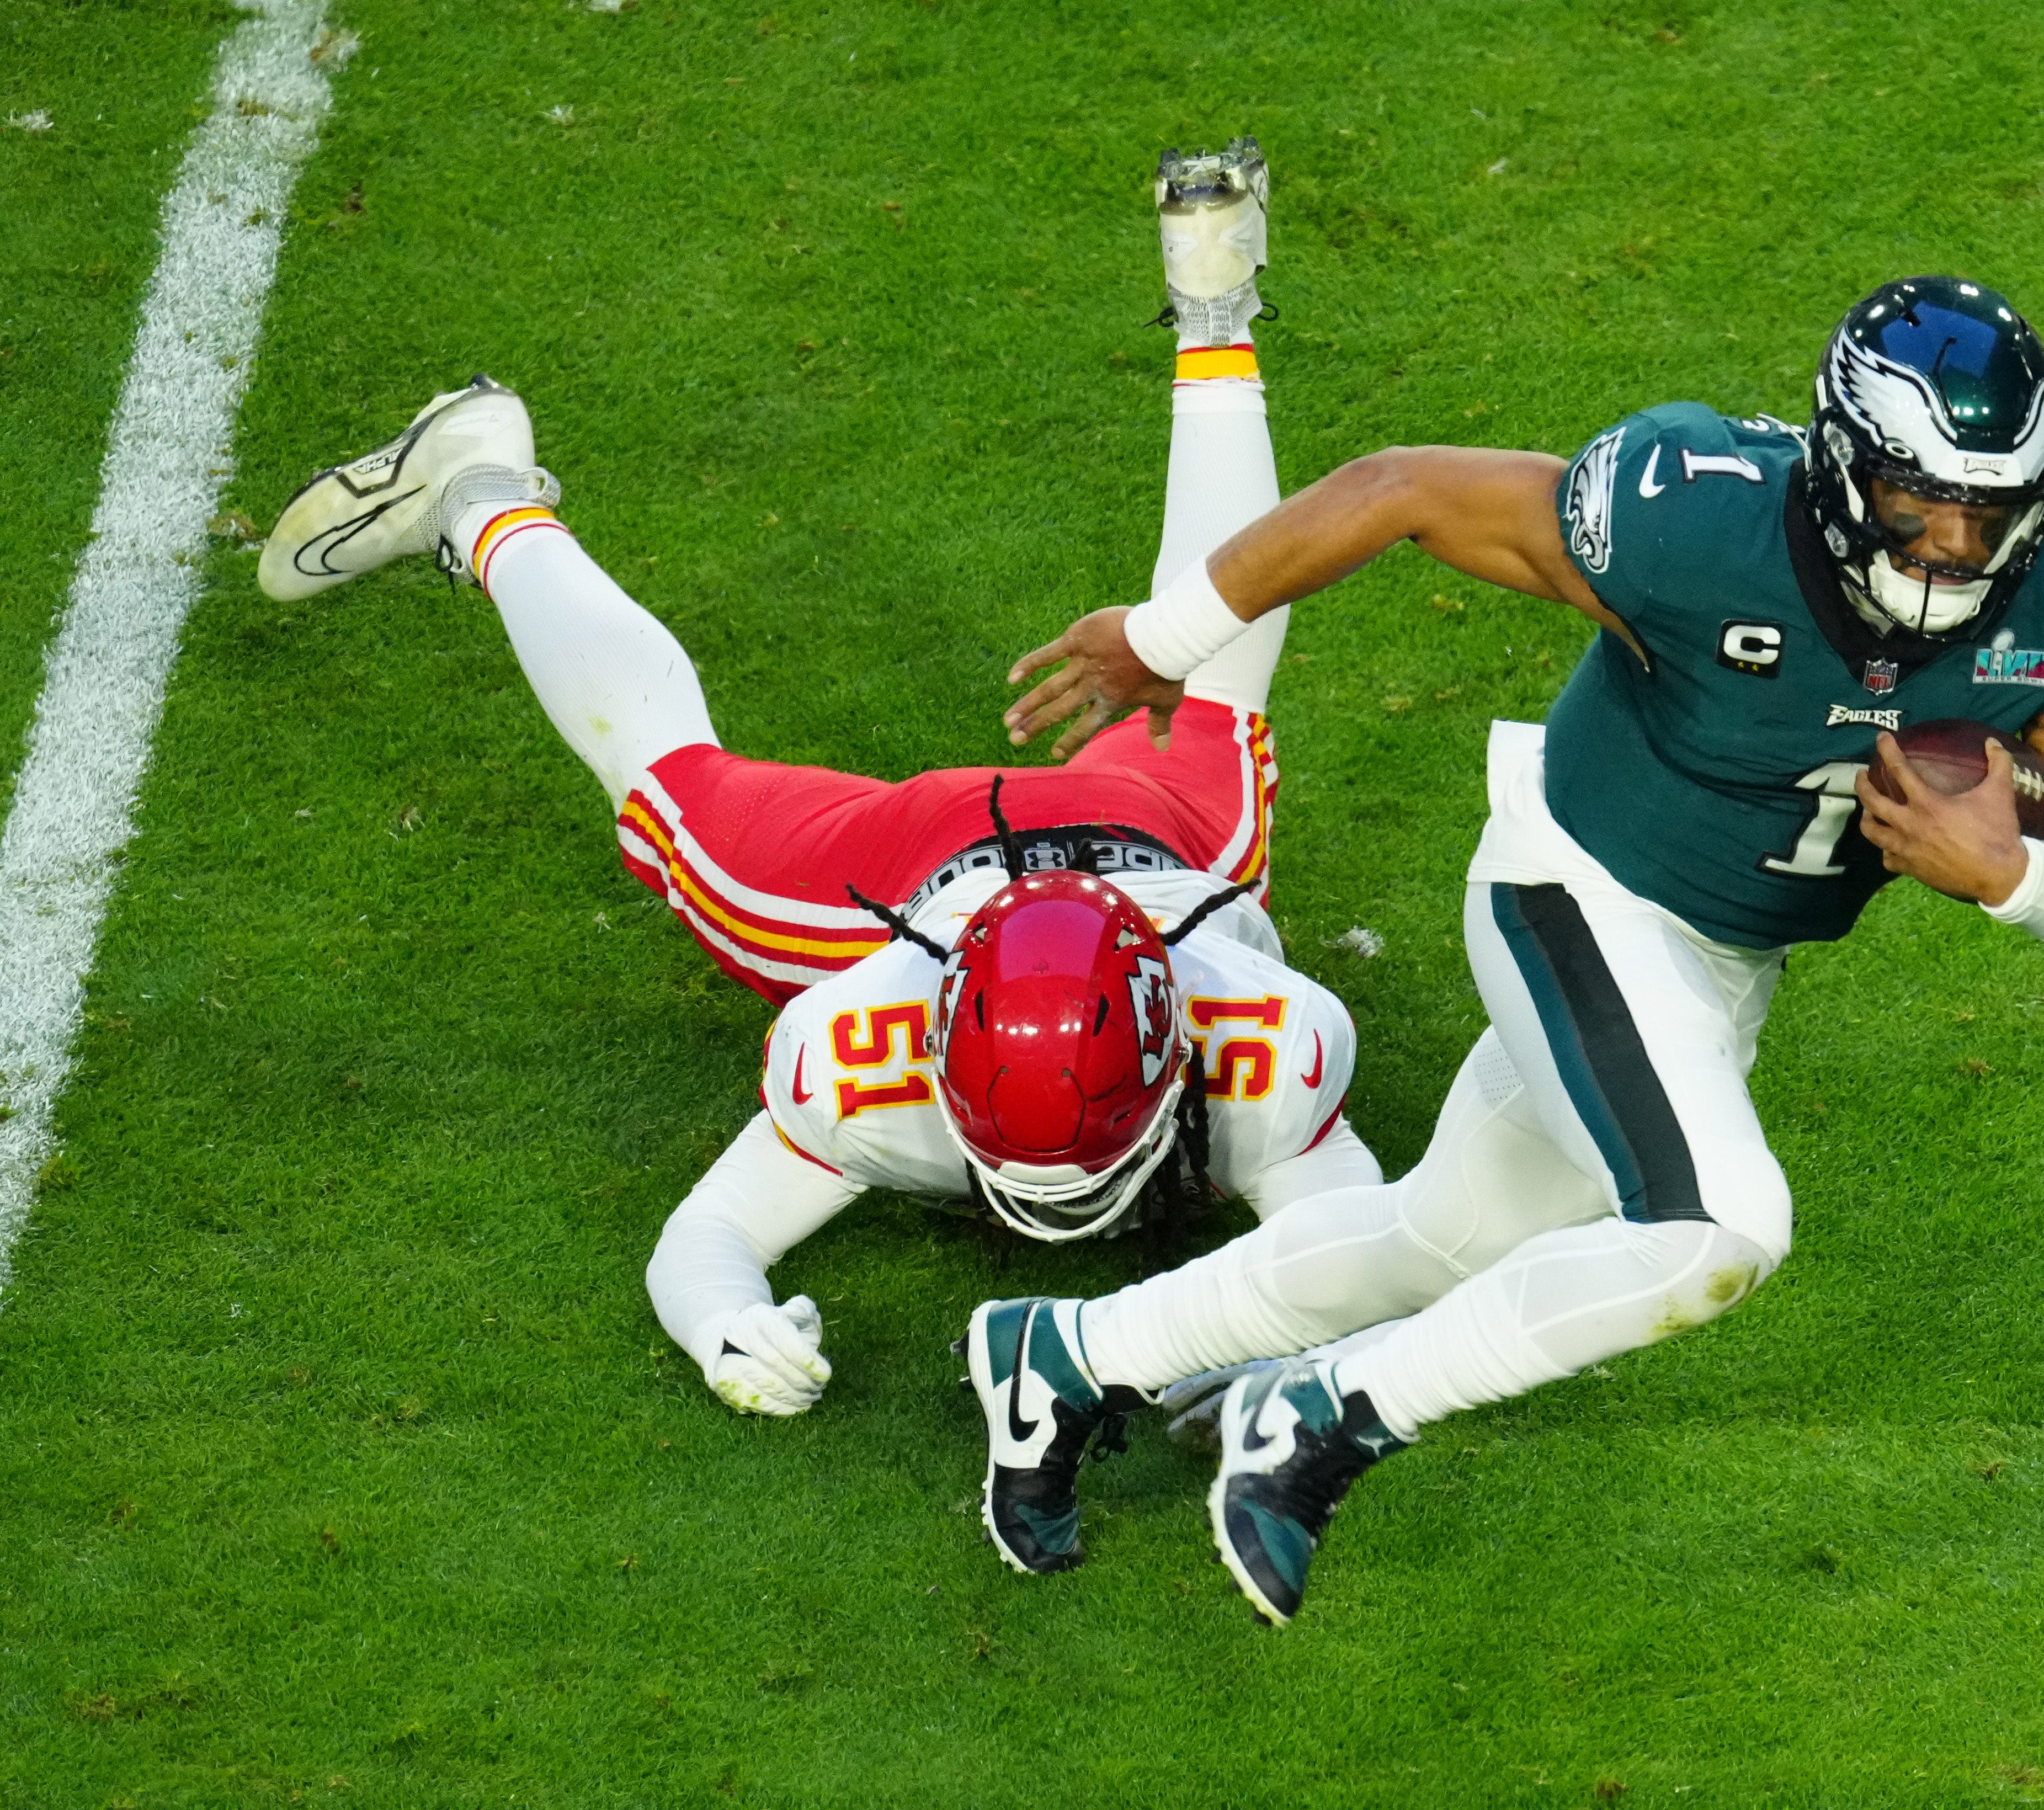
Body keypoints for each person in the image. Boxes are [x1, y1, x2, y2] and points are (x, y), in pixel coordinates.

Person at [972, 274, 2044, 1622]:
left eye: (1988, 512)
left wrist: (2014, 874)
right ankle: (1326, 1412)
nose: (1953, 549)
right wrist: (1161, 640)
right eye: (1917, 505)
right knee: (1717, 1230)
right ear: (1844, 469)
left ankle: (1068, 1351)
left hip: (1720, 962)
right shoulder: (1697, 517)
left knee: (1440, 1240)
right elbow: (1398, 488)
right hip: (1574, 885)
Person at [256, 142, 1381, 1521]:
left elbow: (1355, 1255)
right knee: (1207, 674)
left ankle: (496, 496)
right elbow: (709, 1241)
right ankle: (476, 494)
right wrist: (722, 1320)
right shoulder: (894, 1047)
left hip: (1136, 853)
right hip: (935, 875)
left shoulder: (1244, 1039)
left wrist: (1288, 1348)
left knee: (687, 773)